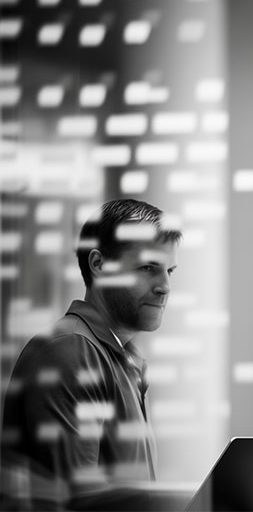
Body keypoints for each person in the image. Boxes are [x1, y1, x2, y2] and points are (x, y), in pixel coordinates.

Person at [0, 198, 183, 511]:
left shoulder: (121, 358)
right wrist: (198, 497)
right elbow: (80, 502)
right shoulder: (71, 350)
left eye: (169, 270)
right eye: (148, 268)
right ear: (99, 265)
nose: (165, 286)